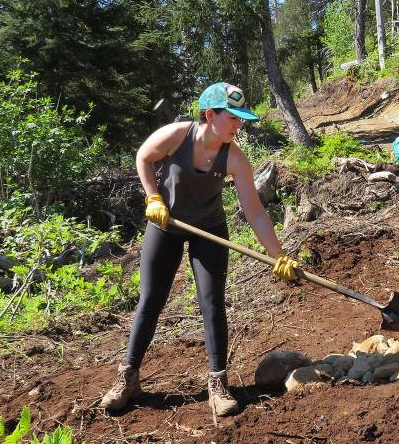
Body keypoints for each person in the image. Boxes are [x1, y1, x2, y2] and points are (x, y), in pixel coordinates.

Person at [101, 82, 300, 416]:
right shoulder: (177, 135)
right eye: (233, 118)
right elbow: (144, 157)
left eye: (241, 119)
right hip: (165, 223)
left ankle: (218, 383)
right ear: (210, 115)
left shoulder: (235, 158)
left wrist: (278, 253)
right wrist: (152, 196)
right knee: (151, 299)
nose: (240, 125)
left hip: (208, 230)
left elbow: (254, 211)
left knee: (211, 301)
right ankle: (128, 377)